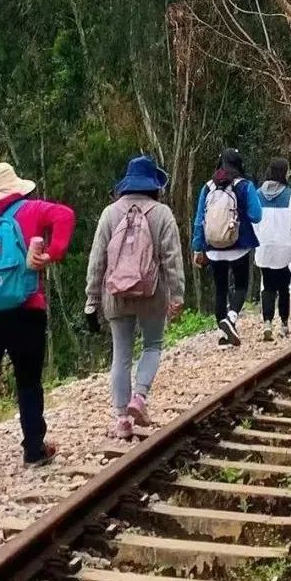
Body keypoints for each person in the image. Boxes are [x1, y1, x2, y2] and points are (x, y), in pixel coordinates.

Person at [0, 162, 75, 483]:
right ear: (14, 187)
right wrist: (54, 253)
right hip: (26, 309)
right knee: (28, 382)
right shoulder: (30, 209)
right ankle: (34, 450)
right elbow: (65, 215)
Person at [84, 156, 185, 440]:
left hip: (116, 295)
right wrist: (176, 296)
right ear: (154, 185)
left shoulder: (109, 214)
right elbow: (172, 260)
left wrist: (91, 300)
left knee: (121, 355)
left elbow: (97, 261)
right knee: (152, 345)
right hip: (152, 293)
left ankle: (122, 420)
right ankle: (139, 398)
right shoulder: (162, 213)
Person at [191, 147, 263, 347]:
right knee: (241, 285)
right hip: (239, 246)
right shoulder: (245, 185)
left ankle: (222, 336)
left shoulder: (208, 187)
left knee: (220, 290)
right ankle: (230, 319)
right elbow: (257, 215)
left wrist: (198, 248)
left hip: (213, 248)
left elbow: (199, 220)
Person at [255, 157, 291, 341]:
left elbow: (253, 223)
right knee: (284, 288)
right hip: (286, 251)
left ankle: (267, 323)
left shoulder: (257, 195)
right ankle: (284, 325)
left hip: (264, 250)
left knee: (267, 286)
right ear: (283, 173)